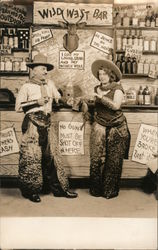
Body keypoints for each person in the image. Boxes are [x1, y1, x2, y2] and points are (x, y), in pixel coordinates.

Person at [15, 53, 78, 202]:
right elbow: (18, 107)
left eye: (46, 69)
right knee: (31, 157)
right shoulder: (26, 86)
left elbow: (57, 97)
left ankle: (59, 189)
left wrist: (68, 100)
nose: (45, 71)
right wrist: (36, 102)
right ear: (34, 70)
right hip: (32, 124)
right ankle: (31, 191)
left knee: (52, 157)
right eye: (42, 68)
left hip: (47, 123)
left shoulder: (49, 84)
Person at [82, 59, 131, 199]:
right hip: (99, 124)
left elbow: (116, 106)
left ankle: (110, 191)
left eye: (105, 74)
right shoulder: (96, 88)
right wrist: (85, 104)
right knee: (96, 158)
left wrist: (101, 97)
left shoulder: (118, 88)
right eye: (100, 74)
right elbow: (95, 106)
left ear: (111, 75)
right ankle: (95, 190)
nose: (102, 76)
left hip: (117, 126)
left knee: (114, 160)